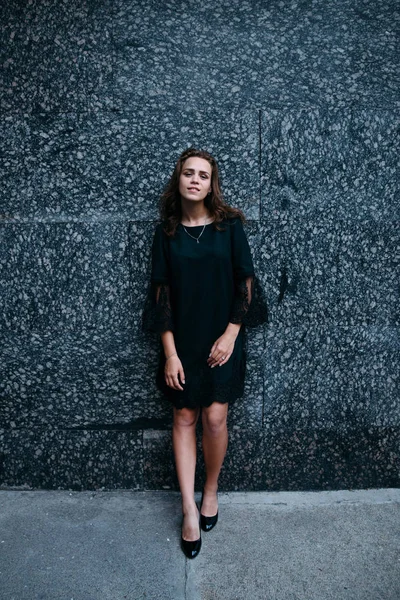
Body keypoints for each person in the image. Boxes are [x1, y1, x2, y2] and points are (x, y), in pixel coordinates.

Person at [142, 147, 268, 559]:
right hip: (183, 342)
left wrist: (231, 335)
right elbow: (160, 297)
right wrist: (170, 354)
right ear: (177, 180)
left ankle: (211, 488)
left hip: (222, 336)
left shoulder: (229, 227)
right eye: (189, 173)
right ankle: (188, 509)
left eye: (204, 175)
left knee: (215, 418)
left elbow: (245, 282)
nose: (196, 180)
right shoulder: (167, 233)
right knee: (184, 415)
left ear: (212, 183)